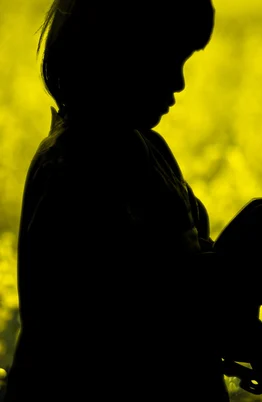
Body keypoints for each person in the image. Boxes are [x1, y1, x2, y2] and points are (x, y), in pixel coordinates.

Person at [2, 0, 243, 400]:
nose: (180, 82)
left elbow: (183, 274)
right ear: (113, 54)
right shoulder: (71, 169)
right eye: (168, 58)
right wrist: (237, 265)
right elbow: (116, 322)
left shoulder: (150, 150)